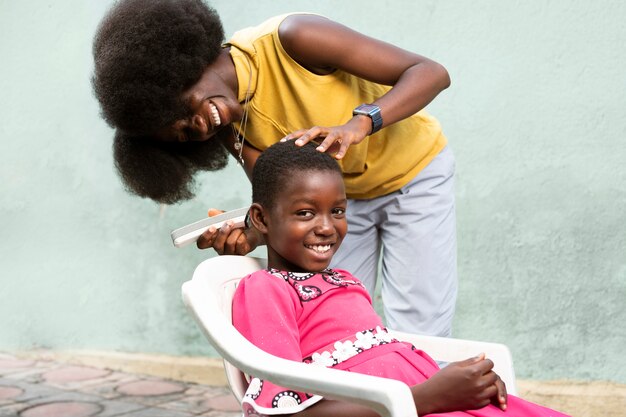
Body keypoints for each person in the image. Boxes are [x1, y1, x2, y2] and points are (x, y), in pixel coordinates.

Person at [92, 0, 456, 337]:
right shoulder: (228, 130)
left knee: (419, 328)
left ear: (180, 67)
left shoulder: (293, 38)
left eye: (183, 110)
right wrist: (252, 234)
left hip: (414, 176)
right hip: (341, 205)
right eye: (185, 135)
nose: (198, 126)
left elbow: (430, 72)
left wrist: (358, 124)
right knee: (336, 322)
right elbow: (284, 199)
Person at [233, 140, 569, 417]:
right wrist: (424, 397)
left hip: (432, 398)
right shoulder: (266, 287)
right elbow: (283, 411)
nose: (326, 226)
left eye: (337, 211)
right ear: (261, 218)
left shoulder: (344, 279)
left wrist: (468, 384)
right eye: (305, 213)